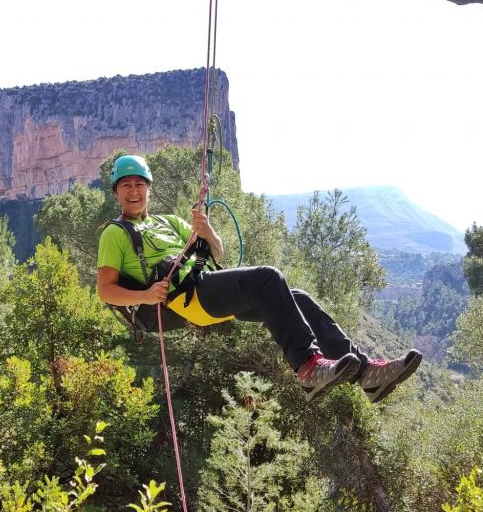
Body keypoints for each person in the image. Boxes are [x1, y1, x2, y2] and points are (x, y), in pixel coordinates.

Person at [96, 155, 422, 402]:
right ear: (116, 193)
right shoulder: (115, 233)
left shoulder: (170, 222)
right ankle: (308, 367)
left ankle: (367, 375)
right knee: (268, 278)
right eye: (126, 185)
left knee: (299, 299)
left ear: (149, 189)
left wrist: (208, 232)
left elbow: (218, 252)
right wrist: (146, 295)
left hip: (207, 288)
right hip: (187, 298)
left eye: (139, 184)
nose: (134, 191)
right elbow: (105, 290)